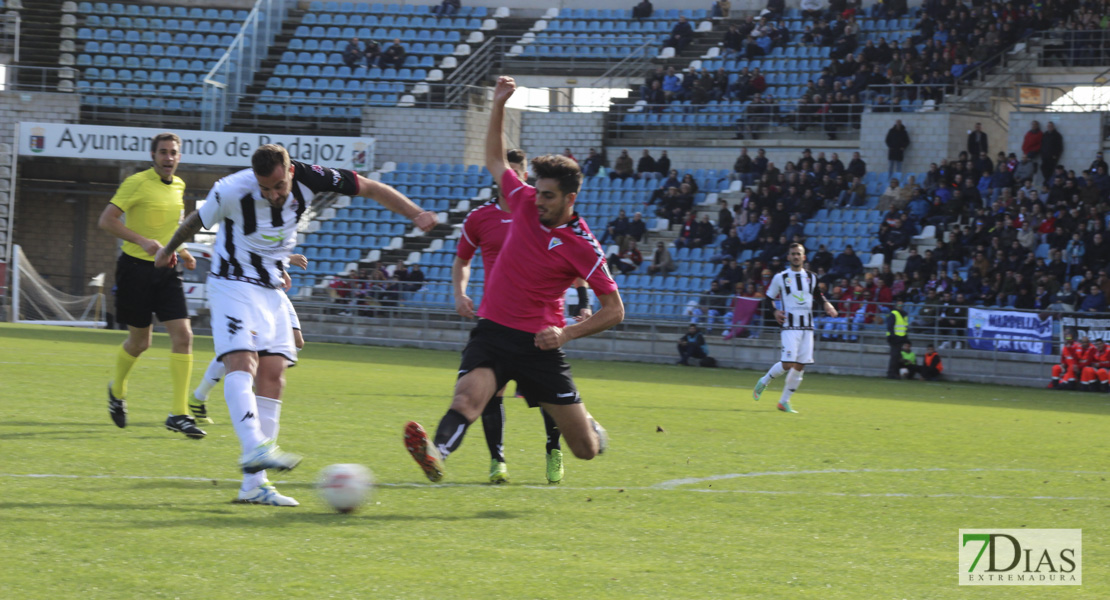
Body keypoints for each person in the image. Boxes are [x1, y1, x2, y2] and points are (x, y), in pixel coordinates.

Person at [155, 144, 437, 506]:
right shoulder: (231, 189)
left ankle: (254, 486)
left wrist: (416, 213)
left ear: (289, 171)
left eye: (277, 187)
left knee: (274, 374)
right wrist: (168, 249)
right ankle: (255, 445)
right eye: (264, 189)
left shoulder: (312, 177)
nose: (272, 195)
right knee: (243, 361)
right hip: (233, 283)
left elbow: (370, 187)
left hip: (271, 286)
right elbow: (195, 221)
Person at [404, 76, 623, 484]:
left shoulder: (583, 244)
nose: (537, 200)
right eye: (537, 192)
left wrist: (566, 334)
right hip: (494, 332)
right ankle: (437, 454)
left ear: (570, 199)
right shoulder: (522, 201)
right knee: (468, 398)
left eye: (549, 196)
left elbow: (615, 310)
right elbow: (494, 160)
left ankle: (590, 425)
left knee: (584, 451)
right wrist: (499, 105)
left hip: (540, 344)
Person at [453, 147, 589, 484]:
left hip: (543, 320)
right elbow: (463, 259)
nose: (511, 177)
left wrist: (582, 301)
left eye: (518, 171)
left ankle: (554, 448)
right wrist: (460, 293)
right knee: (491, 392)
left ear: (524, 174)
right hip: (499, 315)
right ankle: (497, 460)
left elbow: (576, 264)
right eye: (507, 171)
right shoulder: (481, 217)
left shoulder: (537, 210)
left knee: (546, 397)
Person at [98, 132, 203, 439]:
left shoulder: (180, 186)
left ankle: (179, 413)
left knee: (184, 336)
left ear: (179, 157)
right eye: (163, 152)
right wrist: (142, 241)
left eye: (173, 153)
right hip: (134, 270)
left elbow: (170, 228)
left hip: (167, 271)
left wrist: (182, 252)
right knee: (140, 343)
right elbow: (107, 221)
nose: (168, 158)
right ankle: (116, 389)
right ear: (153, 156)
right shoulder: (136, 183)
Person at [192, 254, 310, 412]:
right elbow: (249, 251)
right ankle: (199, 397)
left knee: (296, 342)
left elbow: (268, 247)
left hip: (272, 287)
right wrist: (287, 259)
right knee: (241, 346)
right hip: (247, 288)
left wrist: (281, 270)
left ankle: (250, 391)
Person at [752, 243, 838, 413]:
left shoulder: (812, 277)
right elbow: (768, 298)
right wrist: (775, 311)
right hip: (790, 326)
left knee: (800, 366)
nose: (796, 256)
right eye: (793, 254)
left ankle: (784, 402)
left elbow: (818, 296)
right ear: (789, 257)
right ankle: (764, 381)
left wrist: (827, 304)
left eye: (799, 254)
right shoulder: (781, 277)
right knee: (788, 363)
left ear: (804, 257)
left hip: (807, 327)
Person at [885, 300, 909, 379]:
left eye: (902, 305)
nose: (900, 307)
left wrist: (905, 337)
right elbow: (890, 326)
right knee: (895, 356)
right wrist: (893, 336)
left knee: (897, 356)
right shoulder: (894, 314)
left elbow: (905, 327)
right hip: (895, 338)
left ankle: (893, 373)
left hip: (900, 338)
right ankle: (891, 373)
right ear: (896, 306)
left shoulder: (904, 314)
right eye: (899, 305)